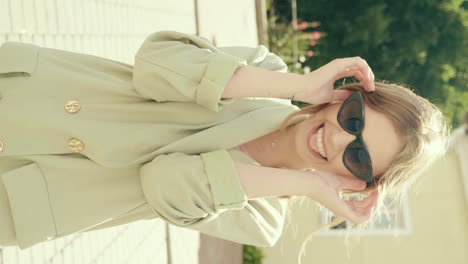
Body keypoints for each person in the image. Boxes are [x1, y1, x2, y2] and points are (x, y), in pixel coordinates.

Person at [0, 31, 448, 251]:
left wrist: (307, 185)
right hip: (26, 95)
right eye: (353, 119)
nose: (335, 137)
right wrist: (294, 87)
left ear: (360, 184)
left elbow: (165, 183)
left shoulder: (263, 218)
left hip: (22, 193)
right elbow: (155, 62)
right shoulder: (266, 74)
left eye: (358, 157)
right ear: (344, 96)